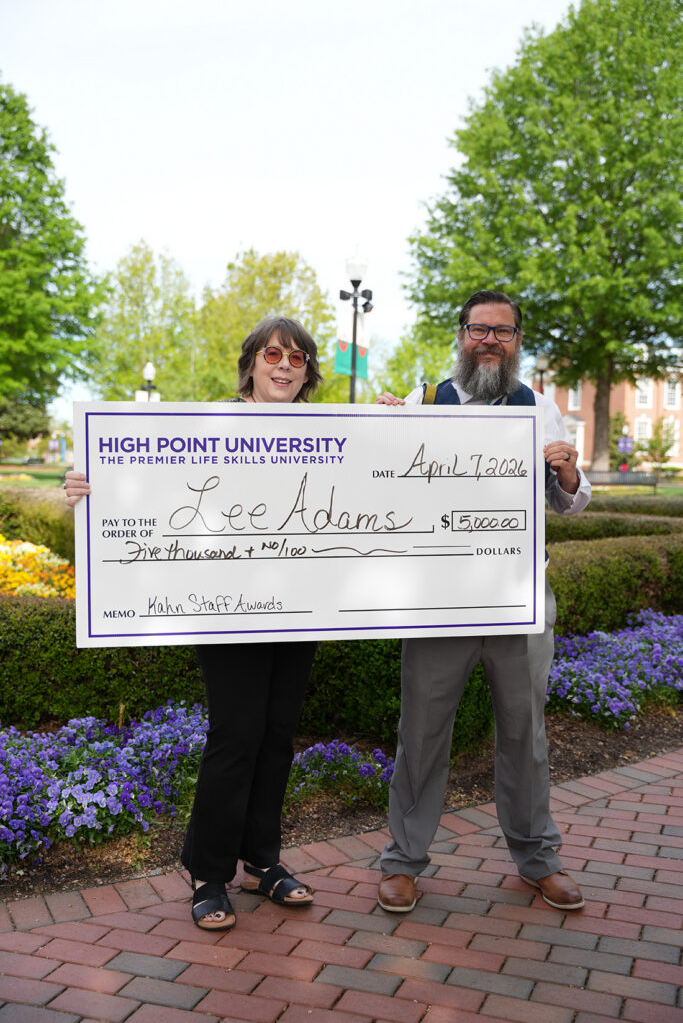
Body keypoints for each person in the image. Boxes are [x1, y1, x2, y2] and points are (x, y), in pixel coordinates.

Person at [65, 316, 323, 931]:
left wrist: (397, 422)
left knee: (277, 734)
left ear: (307, 373)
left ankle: (262, 863)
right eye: (273, 355)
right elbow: (150, 485)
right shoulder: (206, 424)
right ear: (251, 363)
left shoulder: (327, 431)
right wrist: (85, 490)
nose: (284, 366)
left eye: (297, 359)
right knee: (236, 735)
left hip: (300, 604)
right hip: (225, 605)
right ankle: (208, 873)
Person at [375, 289, 591, 913]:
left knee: (526, 734)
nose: (489, 340)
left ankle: (538, 857)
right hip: (440, 601)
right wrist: (377, 433)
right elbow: (382, 487)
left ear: (518, 340)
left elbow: (569, 502)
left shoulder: (540, 408)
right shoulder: (423, 402)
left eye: (502, 331)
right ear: (461, 335)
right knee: (421, 731)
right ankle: (403, 861)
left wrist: (569, 473)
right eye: (479, 329)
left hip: (518, 599)